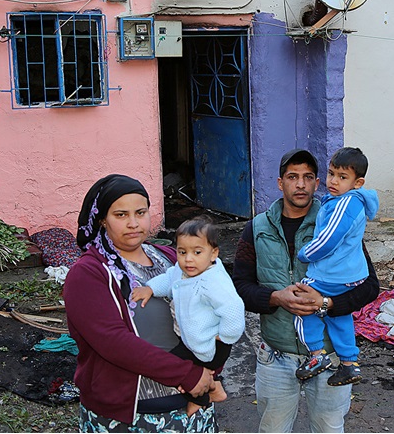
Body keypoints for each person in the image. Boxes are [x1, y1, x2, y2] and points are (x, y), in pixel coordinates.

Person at [232, 148, 380, 433]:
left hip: (330, 356)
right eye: (292, 177)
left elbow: (369, 286)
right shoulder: (257, 228)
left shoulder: (335, 221)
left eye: (308, 177)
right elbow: (240, 286)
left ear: (317, 182)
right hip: (276, 356)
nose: (300, 184)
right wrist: (275, 298)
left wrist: (326, 303)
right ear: (280, 183)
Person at [64, 174, 216, 432]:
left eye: (140, 212)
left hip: (193, 405)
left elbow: (211, 309)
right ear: (102, 219)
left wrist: (210, 372)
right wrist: (187, 375)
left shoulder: (170, 257)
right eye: (121, 215)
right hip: (130, 415)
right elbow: (113, 342)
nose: (133, 223)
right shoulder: (88, 273)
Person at [131, 215, 246, 417]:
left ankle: (201, 398)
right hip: (194, 339)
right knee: (184, 366)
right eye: (182, 252)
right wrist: (150, 288)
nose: (188, 259)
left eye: (197, 252)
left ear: (214, 253)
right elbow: (169, 279)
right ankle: (216, 387)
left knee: (176, 367)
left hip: (213, 344)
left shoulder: (212, 282)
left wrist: (225, 335)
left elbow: (233, 308)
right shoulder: (182, 269)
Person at [293, 147, 378, 386]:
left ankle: (316, 355)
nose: (333, 181)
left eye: (342, 177)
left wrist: (304, 254)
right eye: (331, 174)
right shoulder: (347, 201)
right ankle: (349, 364)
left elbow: (328, 240)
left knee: (301, 303)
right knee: (339, 315)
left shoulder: (346, 203)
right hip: (347, 274)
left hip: (331, 273)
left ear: (357, 183)